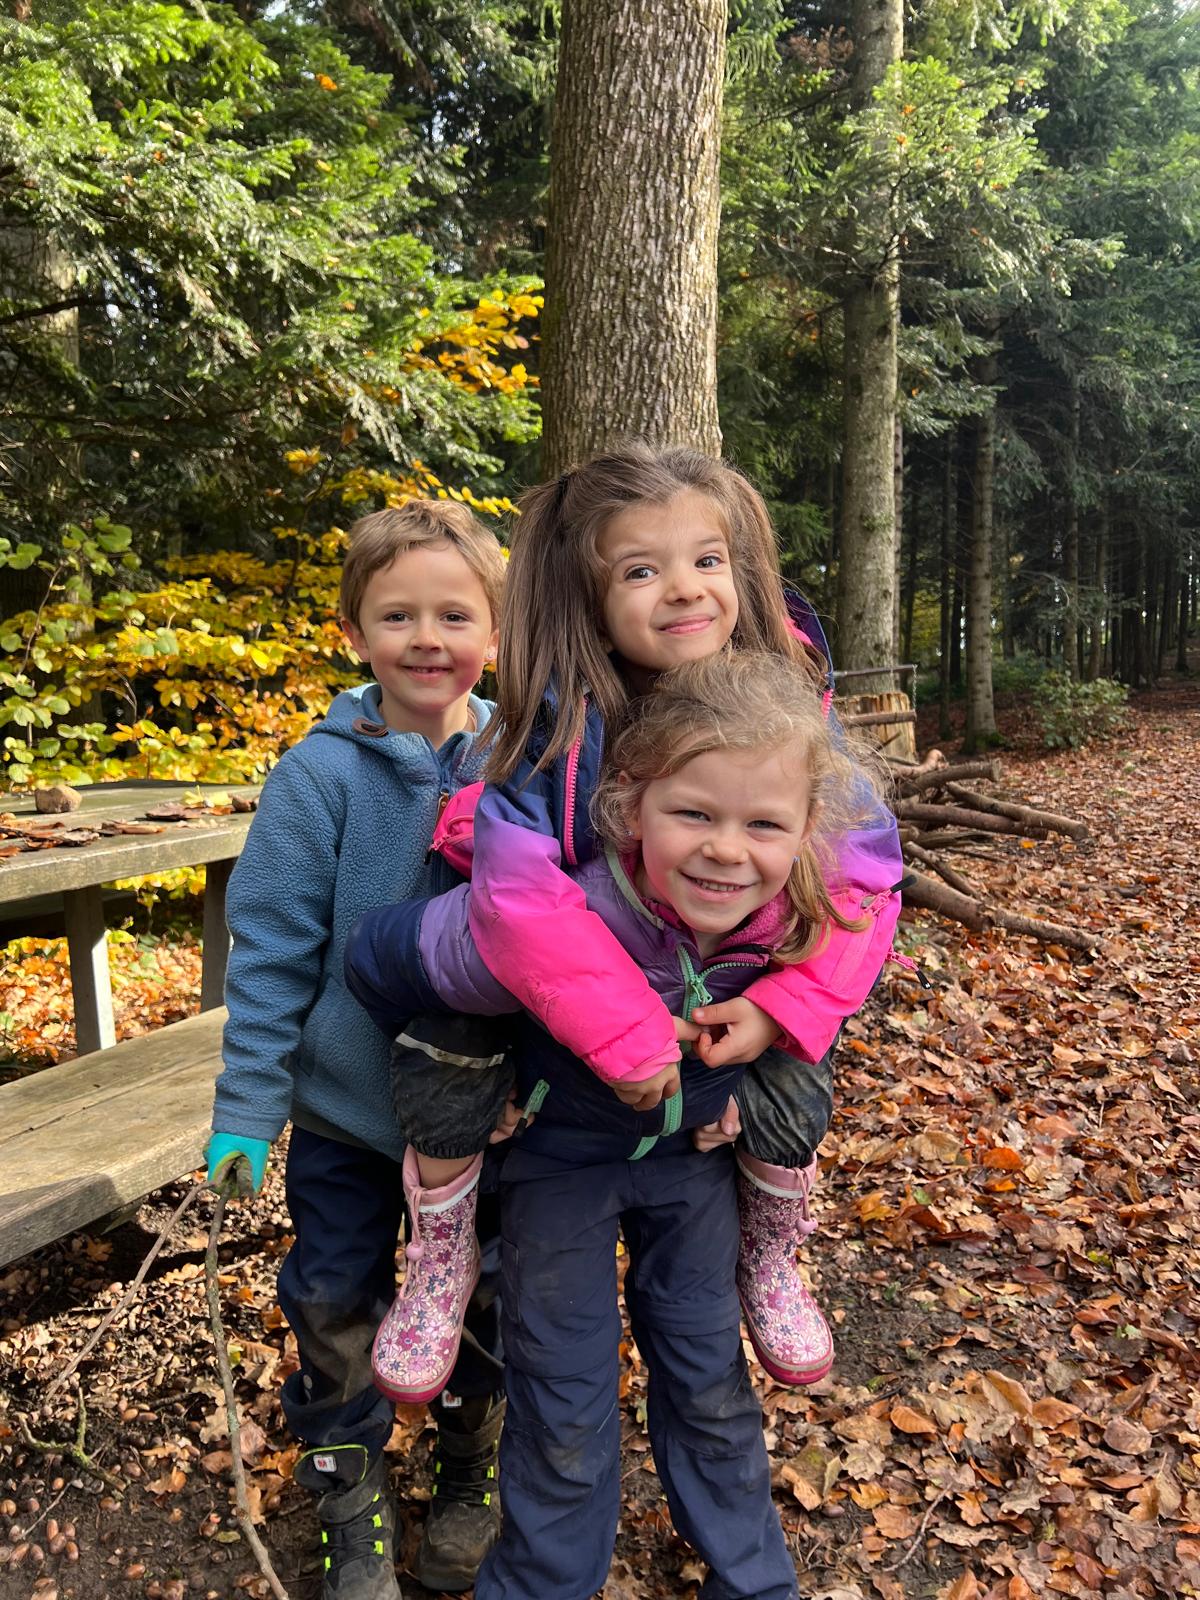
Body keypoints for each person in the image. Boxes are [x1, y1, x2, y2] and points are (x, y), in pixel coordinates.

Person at [358, 441, 904, 1409]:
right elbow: (519, 900)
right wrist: (624, 1032)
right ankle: (441, 1247)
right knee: (447, 1040)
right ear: (593, 598)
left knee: (798, 1074)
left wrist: (784, 1006)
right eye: (642, 570)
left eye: (708, 559)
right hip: (529, 984)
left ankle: (773, 1247)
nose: (685, 588)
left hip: (700, 998)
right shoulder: (564, 725)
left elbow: (862, 879)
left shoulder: (788, 708)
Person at [346, 651, 887, 1600]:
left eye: (764, 825)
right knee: (562, 1397)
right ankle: (543, 1583)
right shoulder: (579, 906)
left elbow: (862, 932)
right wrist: (512, 1062)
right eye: (694, 815)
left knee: (709, 1379)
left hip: (695, 1171)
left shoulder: (797, 919)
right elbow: (407, 960)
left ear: (809, 834)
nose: (727, 851)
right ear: (633, 806)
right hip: (560, 1166)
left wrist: (768, 1028)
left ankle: (754, 1582)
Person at [204, 501, 511, 1600]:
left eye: (454, 615)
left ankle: (470, 1468)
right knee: (333, 1300)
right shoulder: (318, 776)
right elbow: (270, 949)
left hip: (484, 1115)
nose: (427, 638)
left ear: (495, 631)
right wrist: (248, 1109)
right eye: (397, 615)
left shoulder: (525, 760)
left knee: (481, 1294)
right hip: (345, 1116)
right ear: (353, 632)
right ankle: (349, 1491)